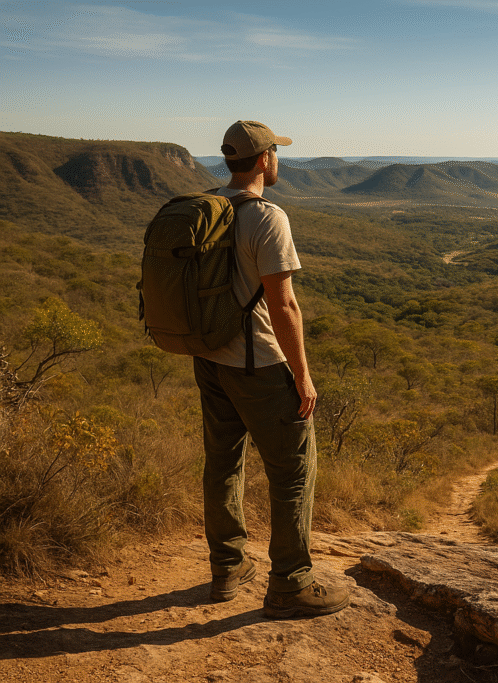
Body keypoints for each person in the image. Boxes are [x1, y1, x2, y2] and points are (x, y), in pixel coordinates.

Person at [194, 120, 348, 618]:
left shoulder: (206, 210)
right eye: (275, 153)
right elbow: (284, 306)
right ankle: (290, 582)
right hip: (257, 363)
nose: (277, 160)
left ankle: (228, 567)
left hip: (210, 358)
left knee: (222, 463)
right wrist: (302, 375)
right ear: (263, 160)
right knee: (293, 471)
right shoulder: (265, 216)